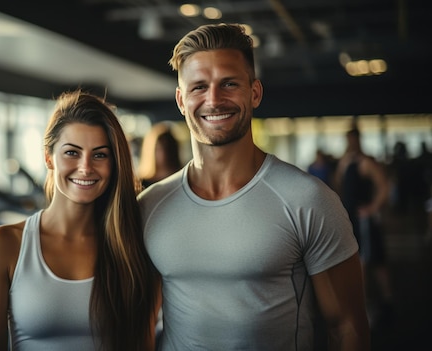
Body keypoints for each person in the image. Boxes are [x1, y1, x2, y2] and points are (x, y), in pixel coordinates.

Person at [138, 23, 370, 350]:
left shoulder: (308, 200)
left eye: (229, 83)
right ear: (180, 100)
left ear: (255, 92)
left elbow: (348, 328)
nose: (214, 99)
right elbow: (140, 326)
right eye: (199, 87)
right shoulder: (150, 205)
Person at [0, 90, 160, 351]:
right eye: (72, 153)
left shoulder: (131, 245)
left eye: (100, 155)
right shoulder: (2, 245)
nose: (85, 167)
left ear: (114, 163)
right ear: (49, 158)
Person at [335, 127, 394, 330]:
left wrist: (372, 208)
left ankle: (371, 307)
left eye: (353, 140)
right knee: (367, 261)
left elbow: (384, 187)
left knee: (366, 262)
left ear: (358, 141)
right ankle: (376, 304)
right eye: (348, 140)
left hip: (364, 220)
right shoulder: (346, 162)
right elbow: (339, 185)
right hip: (351, 218)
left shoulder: (366, 163)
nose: (351, 143)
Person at [137, 121, 183, 188]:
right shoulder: (141, 183)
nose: (163, 153)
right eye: (158, 148)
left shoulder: (183, 179)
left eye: (167, 148)